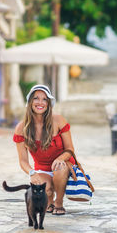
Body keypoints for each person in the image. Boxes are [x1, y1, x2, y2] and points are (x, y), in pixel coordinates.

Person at [13, 84, 75, 215]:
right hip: (42, 168)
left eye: (44, 99)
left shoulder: (58, 120)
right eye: (36, 98)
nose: (40, 102)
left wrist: (60, 159)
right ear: (30, 102)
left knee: (59, 167)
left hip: (63, 164)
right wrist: (32, 173)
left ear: (49, 103)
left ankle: (58, 203)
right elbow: (23, 161)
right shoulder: (21, 128)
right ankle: (49, 201)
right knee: (44, 189)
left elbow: (70, 149)